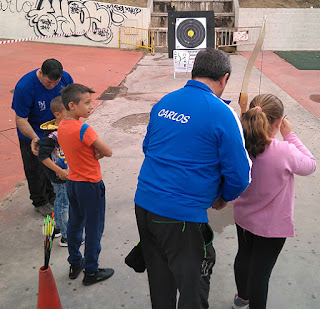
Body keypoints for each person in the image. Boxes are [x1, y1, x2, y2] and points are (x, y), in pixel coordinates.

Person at [134, 47, 252, 309]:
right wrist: (223, 197)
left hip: (144, 204)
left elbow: (148, 148)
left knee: (160, 281)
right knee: (193, 287)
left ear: (194, 71)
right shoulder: (221, 112)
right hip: (182, 218)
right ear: (224, 78)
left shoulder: (164, 102)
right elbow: (240, 176)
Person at [231, 94, 316, 309]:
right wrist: (291, 136)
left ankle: (242, 299)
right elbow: (310, 165)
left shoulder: (240, 145)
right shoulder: (284, 151)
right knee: (261, 271)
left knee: (244, 257)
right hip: (272, 226)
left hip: (243, 218)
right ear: (278, 123)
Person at [58, 83, 114, 286]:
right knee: (93, 229)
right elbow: (107, 151)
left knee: (75, 224)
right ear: (72, 105)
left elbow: (79, 150)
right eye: (87, 103)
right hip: (90, 184)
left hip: (72, 182)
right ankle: (91, 271)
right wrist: (97, 151)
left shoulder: (62, 126)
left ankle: (75, 262)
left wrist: (93, 152)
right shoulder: (84, 129)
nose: (91, 106)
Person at [11, 58, 73, 216]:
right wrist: (34, 138)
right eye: (48, 83)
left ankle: (53, 196)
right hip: (33, 131)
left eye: (55, 82)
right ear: (41, 72)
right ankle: (40, 201)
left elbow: (71, 102)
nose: (52, 86)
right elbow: (21, 119)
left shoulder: (65, 78)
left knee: (55, 164)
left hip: (56, 131)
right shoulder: (25, 87)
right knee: (35, 169)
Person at [37, 96, 69, 247]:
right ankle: (66, 236)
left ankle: (57, 228)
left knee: (60, 201)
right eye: (67, 112)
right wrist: (59, 171)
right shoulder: (52, 135)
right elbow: (42, 157)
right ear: (57, 114)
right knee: (63, 204)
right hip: (59, 175)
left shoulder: (63, 128)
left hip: (62, 173)